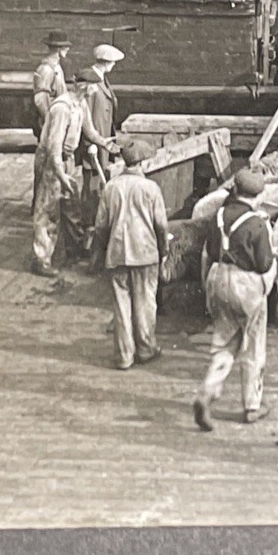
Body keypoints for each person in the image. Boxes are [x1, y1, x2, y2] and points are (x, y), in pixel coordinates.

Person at [193, 168, 277, 430]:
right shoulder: (257, 223)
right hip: (246, 285)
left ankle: (208, 390)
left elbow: (208, 252)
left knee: (225, 341)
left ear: (235, 190)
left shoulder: (217, 215)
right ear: (258, 195)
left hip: (218, 279)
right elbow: (263, 264)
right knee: (252, 345)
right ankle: (252, 406)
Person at [94, 142, 168, 370]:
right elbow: (161, 226)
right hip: (145, 253)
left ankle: (124, 355)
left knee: (121, 306)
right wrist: (164, 252)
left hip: (117, 253)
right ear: (143, 163)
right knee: (145, 302)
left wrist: (100, 252)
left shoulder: (111, 188)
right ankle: (146, 348)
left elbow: (101, 226)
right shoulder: (151, 188)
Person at [31, 78, 85, 278]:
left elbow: (87, 129)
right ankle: (41, 259)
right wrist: (61, 174)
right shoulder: (62, 108)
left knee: (72, 205)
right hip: (53, 161)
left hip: (67, 158)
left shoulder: (80, 104)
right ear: (86, 87)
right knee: (48, 210)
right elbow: (54, 145)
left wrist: (102, 142)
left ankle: (75, 251)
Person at [76, 46, 124, 266]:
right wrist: (90, 147)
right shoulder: (92, 84)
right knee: (93, 191)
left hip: (104, 142)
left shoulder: (101, 80)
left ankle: (94, 235)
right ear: (106, 62)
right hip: (95, 147)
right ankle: (89, 241)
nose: (114, 66)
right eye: (113, 62)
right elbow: (87, 120)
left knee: (98, 188)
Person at [31, 31, 71, 131]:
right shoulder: (46, 69)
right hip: (51, 120)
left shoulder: (56, 67)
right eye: (64, 47)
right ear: (58, 49)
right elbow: (40, 99)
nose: (68, 49)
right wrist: (49, 120)